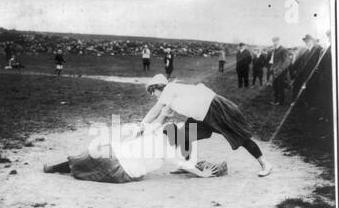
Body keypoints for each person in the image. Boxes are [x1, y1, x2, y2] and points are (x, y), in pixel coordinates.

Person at [137, 74, 273, 177]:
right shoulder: (170, 99)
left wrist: (142, 124)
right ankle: (187, 165)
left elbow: (156, 109)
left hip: (215, 109)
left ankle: (265, 164)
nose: (152, 95)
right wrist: (146, 128)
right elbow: (160, 117)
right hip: (200, 116)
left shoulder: (169, 88)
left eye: (152, 91)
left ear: (158, 87)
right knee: (184, 136)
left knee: (240, 138)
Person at [43, 122, 226, 183]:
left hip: (113, 153)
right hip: (122, 169)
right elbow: (183, 163)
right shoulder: (166, 150)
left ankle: (55, 167)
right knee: (98, 163)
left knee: (87, 156)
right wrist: (201, 173)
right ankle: (67, 167)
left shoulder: (151, 135)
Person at [292, 34, 322, 106]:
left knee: (312, 89)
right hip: (305, 74)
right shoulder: (307, 51)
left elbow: (319, 62)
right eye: (306, 41)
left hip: (313, 74)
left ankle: (312, 104)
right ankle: (305, 102)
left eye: (308, 41)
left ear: (312, 41)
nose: (307, 43)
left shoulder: (317, 50)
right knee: (304, 87)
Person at [270, 37, 289, 106]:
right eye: (273, 41)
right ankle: (276, 100)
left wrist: (280, 70)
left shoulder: (283, 49)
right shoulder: (275, 50)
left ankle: (281, 102)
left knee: (281, 87)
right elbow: (274, 61)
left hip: (281, 72)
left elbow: (286, 62)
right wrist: (273, 68)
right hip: (275, 72)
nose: (274, 43)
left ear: (278, 41)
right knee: (275, 86)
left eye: (275, 41)